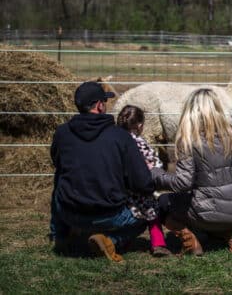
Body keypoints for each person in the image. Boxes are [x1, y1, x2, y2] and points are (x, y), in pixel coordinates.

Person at [151, 88, 232, 256]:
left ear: (190, 111)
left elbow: (183, 183)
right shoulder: (230, 135)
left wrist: (155, 173)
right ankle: (228, 232)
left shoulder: (188, 141)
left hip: (207, 212)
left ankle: (190, 239)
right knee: (216, 207)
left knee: (162, 202)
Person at [49, 81, 154, 262]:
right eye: (104, 101)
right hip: (110, 214)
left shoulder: (62, 133)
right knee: (145, 215)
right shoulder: (121, 137)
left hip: (70, 211)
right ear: (99, 105)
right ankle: (111, 240)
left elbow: (57, 163)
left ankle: (60, 235)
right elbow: (142, 183)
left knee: (59, 181)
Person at [116, 105, 171, 257]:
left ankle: (122, 241)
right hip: (139, 190)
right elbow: (155, 165)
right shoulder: (140, 143)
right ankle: (158, 243)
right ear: (140, 125)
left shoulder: (115, 140)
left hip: (120, 190)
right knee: (152, 209)